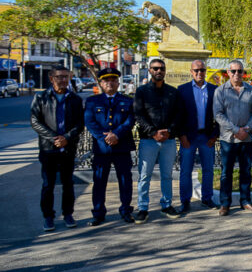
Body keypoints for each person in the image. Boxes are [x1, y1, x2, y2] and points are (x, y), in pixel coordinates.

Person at [30, 65, 84, 231]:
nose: (63, 80)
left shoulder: (75, 99)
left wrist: (67, 138)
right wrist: (54, 138)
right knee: (48, 184)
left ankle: (68, 214)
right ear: (51, 78)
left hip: (68, 148)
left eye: (66, 77)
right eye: (59, 77)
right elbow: (35, 121)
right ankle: (48, 217)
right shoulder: (41, 97)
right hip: (48, 149)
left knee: (68, 183)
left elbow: (80, 123)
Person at [83, 68, 136, 226]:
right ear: (100, 83)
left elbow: (130, 121)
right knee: (99, 181)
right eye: (106, 81)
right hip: (102, 148)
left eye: (113, 80)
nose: (110, 83)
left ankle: (126, 210)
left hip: (122, 146)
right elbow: (90, 122)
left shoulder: (128, 101)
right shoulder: (93, 101)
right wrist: (104, 138)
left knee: (125, 181)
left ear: (118, 83)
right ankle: (98, 213)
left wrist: (117, 134)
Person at [133, 59, 181, 223]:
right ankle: (143, 208)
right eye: (155, 68)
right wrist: (153, 132)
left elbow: (178, 114)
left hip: (168, 140)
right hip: (149, 140)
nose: (159, 71)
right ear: (150, 70)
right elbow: (139, 115)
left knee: (167, 175)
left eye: (161, 68)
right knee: (144, 175)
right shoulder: (142, 91)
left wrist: (169, 131)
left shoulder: (172, 92)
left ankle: (166, 205)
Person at [213, 60, 252, 216]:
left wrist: (248, 128)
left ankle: (245, 201)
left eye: (240, 71)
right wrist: (236, 130)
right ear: (228, 73)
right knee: (226, 172)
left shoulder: (251, 90)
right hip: (228, 139)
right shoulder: (220, 91)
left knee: (246, 171)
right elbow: (218, 114)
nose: (237, 74)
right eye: (233, 71)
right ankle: (225, 203)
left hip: (247, 138)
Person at [177, 60, 219, 214]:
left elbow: (219, 114)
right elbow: (178, 115)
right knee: (185, 171)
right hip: (188, 138)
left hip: (206, 137)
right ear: (191, 72)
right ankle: (185, 201)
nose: (199, 73)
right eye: (196, 70)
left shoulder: (214, 89)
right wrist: (182, 136)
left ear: (205, 71)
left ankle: (207, 198)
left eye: (202, 70)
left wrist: (215, 135)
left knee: (208, 170)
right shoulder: (183, 90)